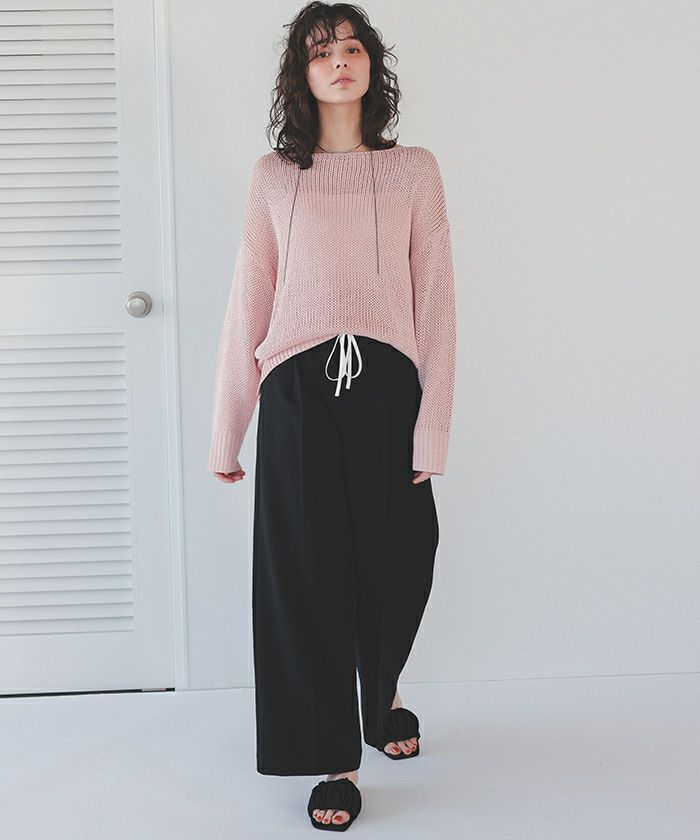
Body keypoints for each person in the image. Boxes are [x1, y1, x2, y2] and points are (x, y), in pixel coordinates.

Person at [208, 1, 456, 831]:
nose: (339, 61)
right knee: (307, 578)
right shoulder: (274, 177)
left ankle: (380, 692)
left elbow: (437, 301)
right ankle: (335, 759)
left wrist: (434, 423)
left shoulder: (414, 170)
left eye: (352, 47)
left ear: (371, 66)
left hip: (387, 385)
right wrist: (228, 427)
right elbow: (249, 300)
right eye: (321, 53)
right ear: (302, 75)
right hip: (297, 390)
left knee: (400, 561)